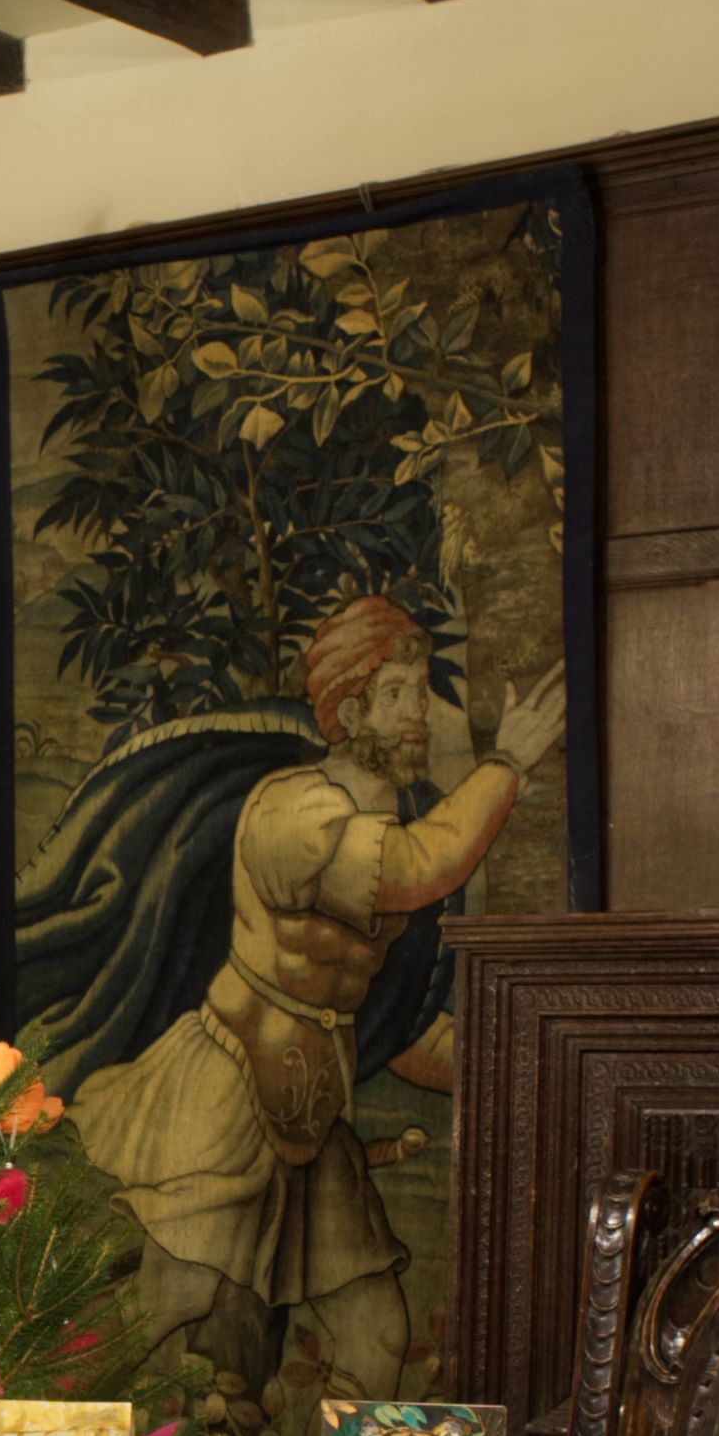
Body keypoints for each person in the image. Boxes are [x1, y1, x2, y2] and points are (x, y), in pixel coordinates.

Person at [46, 595, 567, 1391]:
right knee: (164, 1318)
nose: (416, 713)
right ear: (349, 707)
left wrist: (511, 1068)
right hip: (223, 1100)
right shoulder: (296, 810)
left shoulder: (383, 814)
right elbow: (425, 864)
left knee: (380, 1332)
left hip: (311, 1118)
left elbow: (378, 1016)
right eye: (397, 694)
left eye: (419, 692)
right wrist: (508, 763)